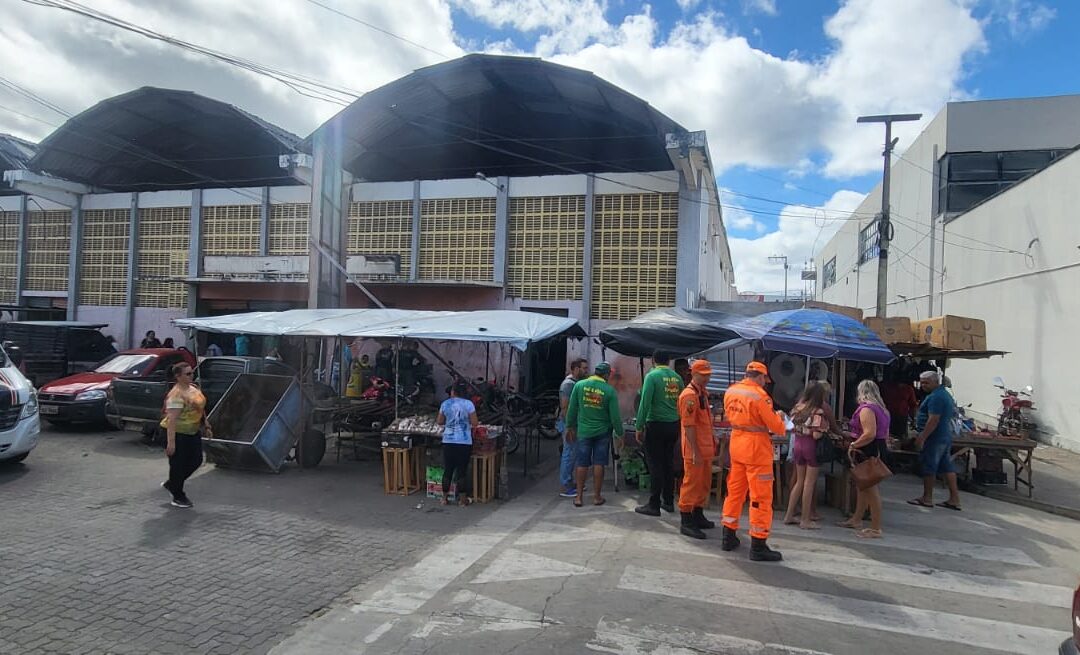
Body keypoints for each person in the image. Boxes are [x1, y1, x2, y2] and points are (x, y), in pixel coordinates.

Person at [721, 361, 788, 561]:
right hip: (756, 449)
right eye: (764, 379)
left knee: (734, 492)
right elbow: (776, 426)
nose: (765, 383)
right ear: (760, 377)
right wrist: (781, 418)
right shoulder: (760, 396)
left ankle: (728, 536)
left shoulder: (731, 391)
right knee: (760, 497)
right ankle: (758, 545)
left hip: (737, 444)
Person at [635, 350, 685, 517]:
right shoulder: (677, 378)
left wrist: (639, 425)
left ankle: (654, 504)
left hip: (655, 425)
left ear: (652, 360)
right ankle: (669, 501)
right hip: (673, 425)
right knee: (668, 463)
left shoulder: (652, 376)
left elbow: (645, 403)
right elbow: (682, 401)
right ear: (669, 360)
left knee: (655, 464)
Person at [565, 362, 622, 508]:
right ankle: (597, 497)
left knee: (582, 463)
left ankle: (578, 497)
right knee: (599, 463)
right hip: (603, 433)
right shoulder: (609, 391)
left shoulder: (580, 385)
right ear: (606, 375)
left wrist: (569, 426)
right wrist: (620, 434)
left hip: (583, 432)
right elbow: (615, 416)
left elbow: (572, 409)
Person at [840, 380, 891, 538]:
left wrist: (854, 444)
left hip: (868, 449)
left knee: (870, 488)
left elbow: (870, 433)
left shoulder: (867, 409)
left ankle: (876, 528)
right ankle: (856, 518)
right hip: (877, 447)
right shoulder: (883, 410)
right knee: (862, 486)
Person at [909, 370, 962, 511]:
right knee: (946, 467)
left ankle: (927, 498)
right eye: (921, 382)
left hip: (935, 437)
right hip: (944, 436)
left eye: (926, 383)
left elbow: (933, 419)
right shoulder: (944, 394)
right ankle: (954, 499)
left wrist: (922, 437)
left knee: (929, 466)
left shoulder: (936, 397)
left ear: (935, 382)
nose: (923, 385)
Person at [160, 362, 209, 509]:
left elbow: (200, 407)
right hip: (177, 433)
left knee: (196, 460)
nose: (191, 376)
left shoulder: (193, 388)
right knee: (178, 465)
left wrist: (206, 424)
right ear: (178, 376)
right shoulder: (175, 395)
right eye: (187, 374)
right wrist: (171, 443)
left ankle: (172, 483)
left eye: (192, 373)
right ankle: (178, 495)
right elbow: (172, 420)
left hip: (192, 431)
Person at [783, 382, 832, 530]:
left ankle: (789, 515)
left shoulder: (797, 408)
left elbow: (789, 426)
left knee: (799, 481)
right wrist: (824, 428)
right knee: (809, 484)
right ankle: (805, 519)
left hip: (797, 445)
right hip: (810, 447)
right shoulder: (817, 412)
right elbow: (817, 434)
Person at [676, 360, 716, 539]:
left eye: (708, 374)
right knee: (691, 484)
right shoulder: (689, 396)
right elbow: (689, 426)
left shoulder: (702, 393)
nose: (707, 378)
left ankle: (698, 515)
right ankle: (686, 520)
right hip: (695, 450)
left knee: (704, 484)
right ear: (693, 374)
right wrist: (695, 452)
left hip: (705, 448)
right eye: (704, 375)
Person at [436, 381, 479, 507]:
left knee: (448, 469)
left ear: (453, 392)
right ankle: (462, 500)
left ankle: (444, 499)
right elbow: (475, 422)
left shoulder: (445, 403)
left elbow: (439, 421)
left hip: (448, 441)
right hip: (464, 441)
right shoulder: (469, 404)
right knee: (461, 470)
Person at [557, 358, 589, 498]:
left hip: (574, 423)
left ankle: (571, 482)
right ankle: (566, 486)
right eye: (584, 368)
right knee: (569, 454)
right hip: (569, 424)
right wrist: (569, 426)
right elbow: (565, 407)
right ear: (575, 369)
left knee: (573, 453)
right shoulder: (568, 385)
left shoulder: (577, 383)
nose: (586, 371)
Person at [881, 371, 918, 439]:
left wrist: (913, 419)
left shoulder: (907, 389)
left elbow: (913, 405)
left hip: (899, 416)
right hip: (891, 415)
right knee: (893, 436)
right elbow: (913, 405)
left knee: (894, 436)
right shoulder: (886, 387)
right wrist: (913, 419)